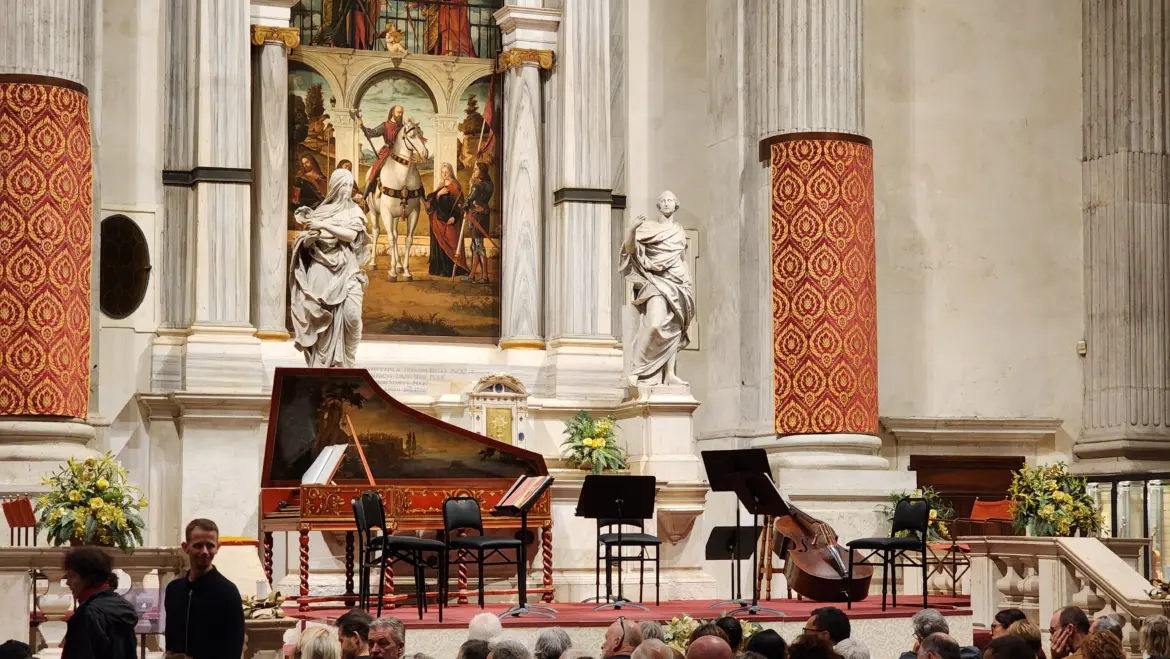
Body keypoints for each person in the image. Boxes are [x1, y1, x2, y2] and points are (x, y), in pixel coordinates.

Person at [289, 167, 371, 368]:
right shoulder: (321, 212)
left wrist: (324, 226)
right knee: (322, 322)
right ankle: (323, 365)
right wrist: (310, 238)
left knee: (352, 317)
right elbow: (306, 247)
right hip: (321, 270)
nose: (347, 189)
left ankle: (348, 364)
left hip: (348, 271)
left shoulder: (355, 211)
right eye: (343, 185)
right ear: (335, 187)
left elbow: (351, 236)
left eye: (349, 186)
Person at [620, 190, 695, 387]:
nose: (667, 203)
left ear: (676, 204)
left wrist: (687, 281)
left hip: (678, 281)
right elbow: (629, 250)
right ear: (659, 206)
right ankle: (637, 370)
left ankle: (670, 373)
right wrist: (632, 229)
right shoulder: (648, 228)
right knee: (654, 324)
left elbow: (682, 258)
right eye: (663, 200)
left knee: (675, 325)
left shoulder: (679, 230)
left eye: (670, 200)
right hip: (656, 281)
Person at [163, 519, 244, 659]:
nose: (205, 551)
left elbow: (233, 649)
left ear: (218, 547)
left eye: (210, 546)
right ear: (185, 547)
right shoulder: (174, 589)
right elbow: (170, 641)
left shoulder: (228, 592)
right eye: (198, 545)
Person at [60, 548, 138, 659]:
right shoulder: (121, 605)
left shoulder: (88, 614)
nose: (67, 582)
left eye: (72, 576)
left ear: (88, 578)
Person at [426, 162, 469, 277]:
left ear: (451, 172)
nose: (444, 174)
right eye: (442, 172)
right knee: (439, 245)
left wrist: (454, 217)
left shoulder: (455, 185)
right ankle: (439, 269)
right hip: (438, 220)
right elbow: (433, 201)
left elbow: (460, 205)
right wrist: (438, 194)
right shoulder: (441, 185)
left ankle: (449, 270)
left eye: (447, 172)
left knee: (451, 244)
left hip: (450, 221)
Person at [360, 105, 406, 198]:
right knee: (375, 169)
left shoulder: (403, 127)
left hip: (400, 153)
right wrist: (361, 125)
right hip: (387, 152)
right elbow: (371, 133)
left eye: (402, 113)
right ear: (393, 112)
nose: (400, 114)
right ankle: (365, 197)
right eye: (398, 112)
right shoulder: (385, 125)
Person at [899, 609, 980, 659]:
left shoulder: (907, 657)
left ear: (921, 640)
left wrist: (916, 652)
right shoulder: (973, 654)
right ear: (947, 633)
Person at [461, 161, 493, 283]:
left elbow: (469, 200)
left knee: (478, 247)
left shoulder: (477, 186)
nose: (473, 171)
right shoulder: (490, 184)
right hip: (484, 217)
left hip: (476, 218)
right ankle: (472, 275)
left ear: (482, 172)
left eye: (476, 169)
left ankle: (485, 276)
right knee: (475, 246)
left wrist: (463, 206)